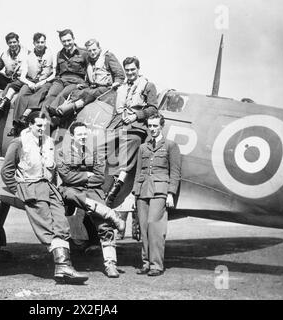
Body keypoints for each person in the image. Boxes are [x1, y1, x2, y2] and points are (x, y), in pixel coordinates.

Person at [0, 111, 88, 284]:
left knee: (61, 224)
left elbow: (52, 168)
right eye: (38, 125)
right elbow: (6, 171)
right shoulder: (18, 143)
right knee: (47, 227)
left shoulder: (49, 142)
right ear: (30, 125)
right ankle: (63, 266)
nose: (42, 129)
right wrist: (19, 190)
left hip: (49, 188)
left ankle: (63, 268)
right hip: (32, 188)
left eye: (44, 126)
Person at [56, 122, 125, 278]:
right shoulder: (62, 153)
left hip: (92, 191)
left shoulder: (94, 153)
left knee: (104, 226)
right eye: (80, 134)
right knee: (71, 194)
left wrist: (79, 179)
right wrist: (87, 175)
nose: (83, 137)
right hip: (71, 191)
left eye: (85, 134)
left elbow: (100, 178)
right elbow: (65, 176)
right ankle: (112, 214)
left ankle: (110, 264)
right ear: (72, 136)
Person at [132, 112, 181, 276]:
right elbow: (139, 171)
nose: (152, 129)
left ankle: (156, 265)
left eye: (155, 126)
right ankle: (146, 263)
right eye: (149, 126)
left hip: (160, 191)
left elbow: (175, 172)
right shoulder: (143, 148)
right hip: (143, 191)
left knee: (155, 227)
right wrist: (135, 194)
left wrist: (170, 193)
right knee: (144, 227)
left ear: (161, 126)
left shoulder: (171, 146)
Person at [105, 56, 158, 206]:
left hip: (136, 127)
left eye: (132, 69)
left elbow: (153, 108)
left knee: (131, 143)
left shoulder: (148, 85)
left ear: (138, 69)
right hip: (118, 125)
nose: (130, 73)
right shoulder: (121, 87)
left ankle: (118, 183)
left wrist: (136, 116)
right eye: (127, 70)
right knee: (100, 145)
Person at [52, 39, 125, 119]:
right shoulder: (89, 60)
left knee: (90, 93)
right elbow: (88, 80)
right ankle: (60, 111)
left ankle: (68, 108)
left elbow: (120, 75)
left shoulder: (107, 57)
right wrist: (82, 85)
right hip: (93, 87)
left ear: (99, 48)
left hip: (107, 89)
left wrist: (116, 83)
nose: (92, 53)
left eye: (94, 50)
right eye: (89, 51)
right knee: (75, 92)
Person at [7, 32, 56, 137]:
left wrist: (44, 81)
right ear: (34, 43)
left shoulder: (51, 54)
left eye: (42, 42)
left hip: (45, 81)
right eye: (38, 42)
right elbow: (22, 76)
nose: (40, 44)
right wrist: (29, 83)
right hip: (30, 81)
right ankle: (15, 124)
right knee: (21, 95)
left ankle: (26, 114)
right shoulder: (28, 56)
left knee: (43, 92)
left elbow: (55, 74)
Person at [43, 29, 88, 116]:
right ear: (61, 41)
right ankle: (43, 120)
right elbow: (58, 72)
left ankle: (54, 115)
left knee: (63, 94)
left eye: (69, 40)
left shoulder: (84, 53)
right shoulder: (59, 54)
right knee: (50, 95)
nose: (67, 43)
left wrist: (86, 84)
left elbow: (89, 70)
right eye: (64, 41)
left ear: (73, 39)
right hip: (61, 80)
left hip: (76, 81)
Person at [0, 32, 29, 115]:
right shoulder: (5, 54)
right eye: (10, 43)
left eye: (14, 42)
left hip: (20, 81)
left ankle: (1, 108)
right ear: (7, 43)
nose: (12, 44)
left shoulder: (27, 53)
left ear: (18, 42)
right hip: (8, 80)